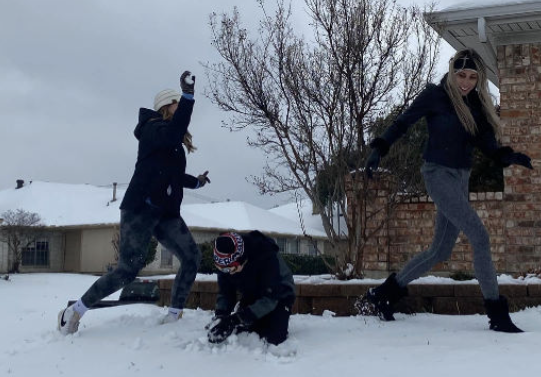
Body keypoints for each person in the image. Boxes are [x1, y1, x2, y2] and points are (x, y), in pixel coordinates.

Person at [363, 48, 533, 333]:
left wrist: (508, 156)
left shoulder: (476, 105)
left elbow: (486, 144)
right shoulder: (435, 96)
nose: (465, 82)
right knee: (480, 236)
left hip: (461, 178)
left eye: (472, 77)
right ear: (453, 72)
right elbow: (403, 122)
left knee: (439, 250)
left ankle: (383, 296)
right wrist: (381, 147)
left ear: (478, 79)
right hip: (437, 174)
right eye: (461, 75)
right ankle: (497, 313)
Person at [58, 70, 210, 335]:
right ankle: (74, 311)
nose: (180, 108)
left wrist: (196, 182)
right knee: (128, 270)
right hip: (141, 207)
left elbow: (172, 174)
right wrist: (188, 95)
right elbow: (173, 134)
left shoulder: (171, 142)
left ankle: (174, 315)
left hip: (165, 211)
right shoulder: (152, 129)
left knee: (191, 257)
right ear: (167, 106)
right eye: (177, 103)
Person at [207, 231, 296, 345]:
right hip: (252, 293)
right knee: (242, 330)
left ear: (243, 260)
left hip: (279, 294)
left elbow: (271, 298)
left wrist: (236, 319)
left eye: (231, 269)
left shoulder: (266, 256)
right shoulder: (225, 261)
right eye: (221, 268)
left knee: (273, 338)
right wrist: (221, 316)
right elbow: (225, 292)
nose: (228, 273)